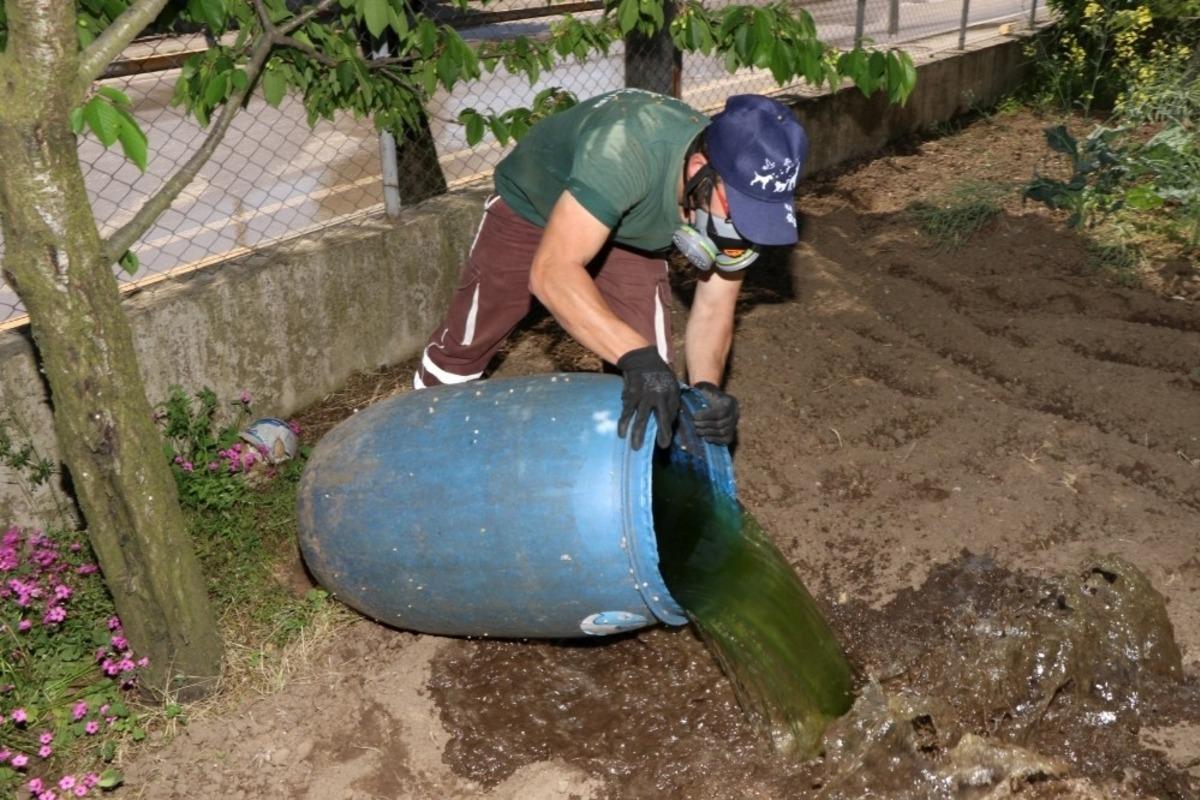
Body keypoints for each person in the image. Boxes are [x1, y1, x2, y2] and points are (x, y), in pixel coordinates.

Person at [412, 89, 808, 450]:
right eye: (739, 209)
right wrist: (634, 354)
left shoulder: (731, 182)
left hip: (632, 233)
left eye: (760, 215)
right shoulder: (626, 147)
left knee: (656, 386)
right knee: (467, 343)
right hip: (534, 207)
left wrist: (705, 392)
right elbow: (552, 271)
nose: (744, 228)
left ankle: (625, 485)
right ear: (697, 169)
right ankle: (416, 433)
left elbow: (714, 308)